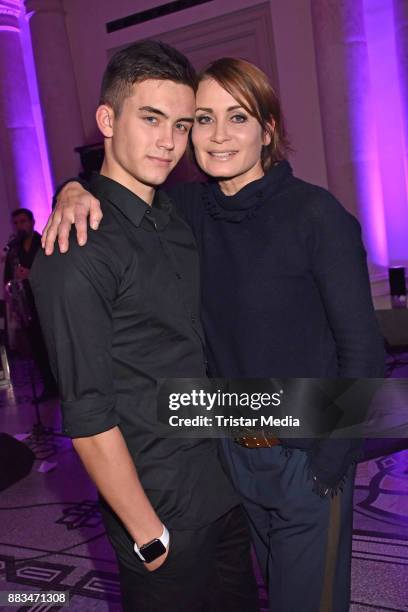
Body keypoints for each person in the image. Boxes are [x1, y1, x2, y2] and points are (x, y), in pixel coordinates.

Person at [43, 57, 385, 612]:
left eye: (239, 117)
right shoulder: (189, 210)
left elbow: (363, 350)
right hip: (231, 457)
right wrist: (71, 190)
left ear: (268, 129)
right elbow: (116, 186)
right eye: (202, 119)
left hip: (306, 454)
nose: (218, 135)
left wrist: (330, 463)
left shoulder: (315, 215)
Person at [30, 42, 259, 612]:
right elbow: (86, 415)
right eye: (151, 119)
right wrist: (147, 532)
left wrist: (72, 184)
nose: (169, 142)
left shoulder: (178, 213)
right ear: (108, 120)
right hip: (160, 511)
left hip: (223, 484)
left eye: (181, 125)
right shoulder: (75, 249)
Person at [4, 208, 56, 400]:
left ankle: (61, 385)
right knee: (37, 349)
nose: (20, 226)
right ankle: (48, 387)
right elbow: (7, 279)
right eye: (16, 223)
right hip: (26, 306)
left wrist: (31, 273)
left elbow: (53, 272)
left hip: (45, 303)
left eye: (23, 221)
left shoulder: (44, 243)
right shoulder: (14, 248)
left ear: (33, 222)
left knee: (52, 346)